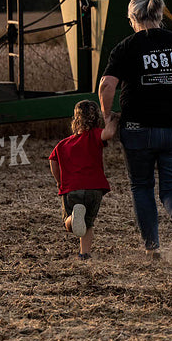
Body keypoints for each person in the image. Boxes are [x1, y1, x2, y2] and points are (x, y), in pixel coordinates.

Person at [98, 0, 172, 260]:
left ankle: (152, 247)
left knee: (142, 186)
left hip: (138, 129)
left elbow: (107, 85)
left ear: (133, 18)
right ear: (160, 15)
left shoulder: (127, 46)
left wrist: (107, 117)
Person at [48, 99, 117, 260]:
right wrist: (113, 119)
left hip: (72, 189)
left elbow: (53, 161)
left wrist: (59, 181)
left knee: (69, 223)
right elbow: (109, 133)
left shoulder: (63, 144)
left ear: (75, 120)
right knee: (88, 223)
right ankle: (84, 254)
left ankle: (73, 218)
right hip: (94, 189)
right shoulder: (95, 135)